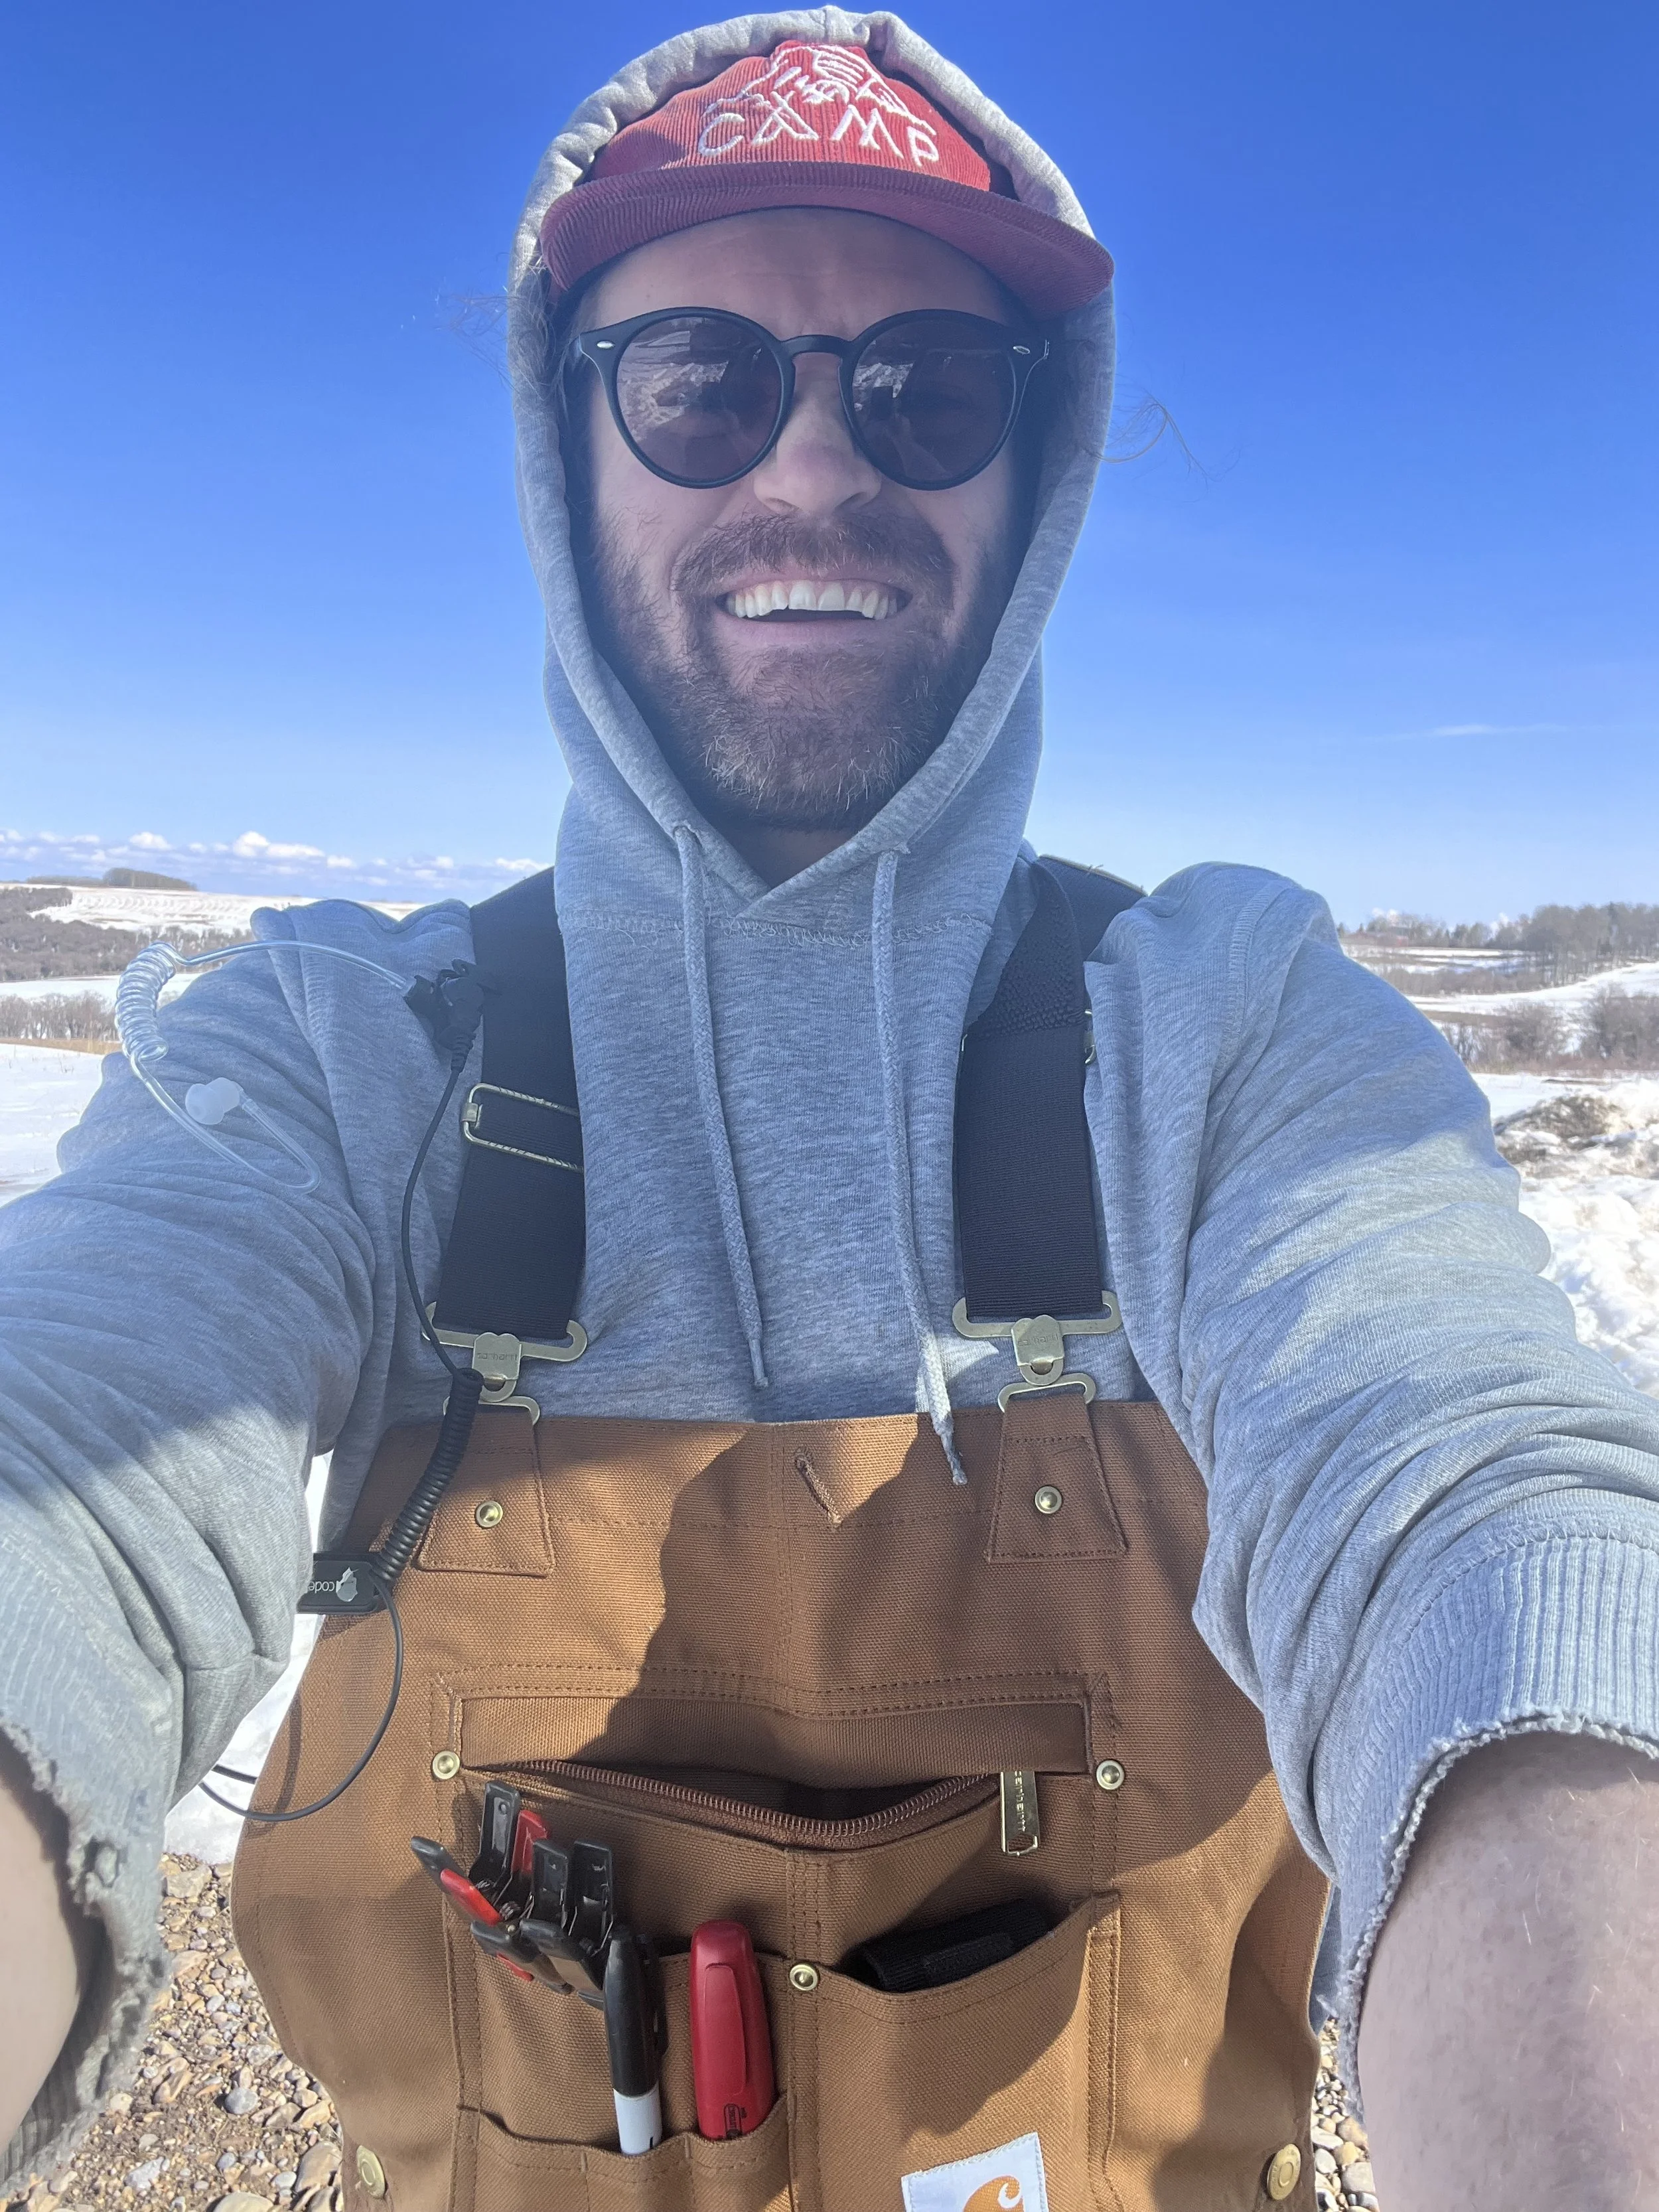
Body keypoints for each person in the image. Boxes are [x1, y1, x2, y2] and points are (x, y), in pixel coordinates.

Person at [3, 13, 1656, 2210]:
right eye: (698, 381)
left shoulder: (1227, 1029)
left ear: (1029, 472)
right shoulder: (334, 1058)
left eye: (924, 390)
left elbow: (1476, 1496)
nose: (810, 472)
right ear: (561, 450)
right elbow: (72, 1493)